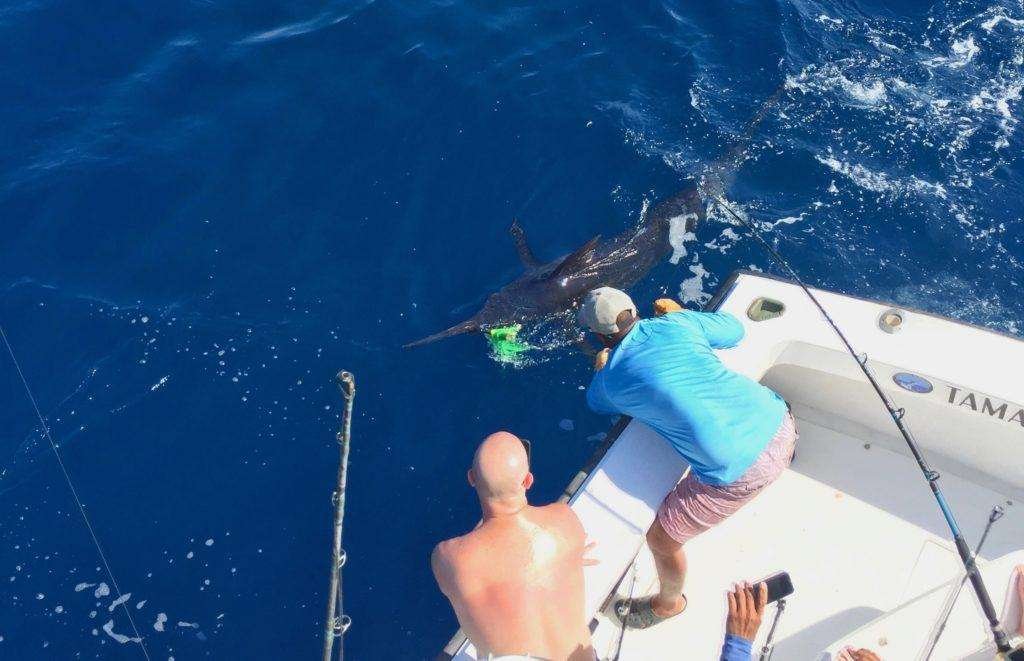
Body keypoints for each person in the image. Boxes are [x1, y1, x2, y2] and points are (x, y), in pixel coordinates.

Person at [578, 287, 797, 629]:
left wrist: (601, 369)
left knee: (661, 540)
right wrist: (681, 313)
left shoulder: (613, 381)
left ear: (597, 334)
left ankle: (669, 605)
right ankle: (787, 456)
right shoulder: (678, 324)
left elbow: (595, 403)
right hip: (780, 420)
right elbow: (735, 331)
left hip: (741, 473)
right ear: (634, 308)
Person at [431, 431, 596, 660]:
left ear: (471, 478)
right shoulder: (565, 520)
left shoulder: (448, 557)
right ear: (528, 480)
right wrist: (569, 556)